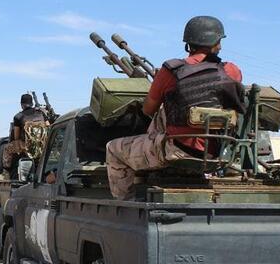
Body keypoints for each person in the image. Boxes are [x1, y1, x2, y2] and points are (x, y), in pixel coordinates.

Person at [105, 16, 245, 200]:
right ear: (217, 43)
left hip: (177, 150)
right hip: (217, 151)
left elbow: (148, 110)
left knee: (113, 149)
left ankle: (125, 205)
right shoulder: (231, 71)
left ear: (188, 43)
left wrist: (162, 86)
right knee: (167, 111)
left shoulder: (171, 71)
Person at [2, 93, 48, 177]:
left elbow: (16, 137)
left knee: (7, 148)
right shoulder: (42, 113)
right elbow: (48, 126)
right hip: (43, 145)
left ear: (21, 104)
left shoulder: (18, 116)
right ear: (32, 103)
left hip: (26, 146)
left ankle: (5, 173)